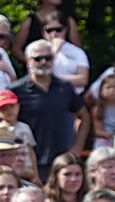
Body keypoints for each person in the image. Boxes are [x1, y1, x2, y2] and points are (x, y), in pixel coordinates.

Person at [10, 39, 83, 179]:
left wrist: (77, 147)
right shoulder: (16, 90)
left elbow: (84, 115)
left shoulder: (65, 87)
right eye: (38, 58)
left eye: (48, 58)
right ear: (28, 61)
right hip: (29, 162)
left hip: (61, 161)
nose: (43, 62)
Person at [12, 0, 81, 59]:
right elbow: (16, 49)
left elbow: (78, 50)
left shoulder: (68, 21)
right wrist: (32, 63)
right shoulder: (29, 21)